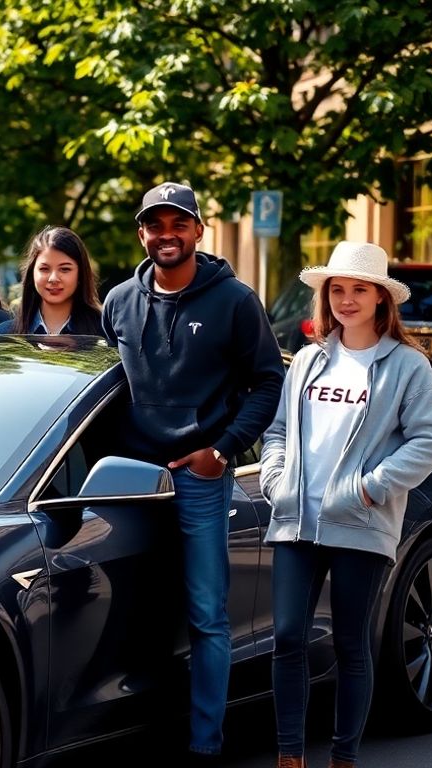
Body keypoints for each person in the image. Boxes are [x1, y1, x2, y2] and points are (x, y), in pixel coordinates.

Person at [101, 181, 284, 764]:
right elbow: (108, 390)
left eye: (178, 224)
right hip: (128, 481)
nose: (166, 235)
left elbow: (268, 383)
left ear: (198, 231)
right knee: (130, 607)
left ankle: (206, 744)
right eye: (155, 225)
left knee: (207, 614)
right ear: (142, 234)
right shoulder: (118, 301)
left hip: (199, 478)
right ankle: (132, 728)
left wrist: (224, 450)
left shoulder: (234, 300)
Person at [260, 242, 432, 768]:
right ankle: (289, 757)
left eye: (358, 289)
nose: (346, 299)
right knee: (288, 638)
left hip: (360, 522)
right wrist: (276, 479)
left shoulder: (407, 367)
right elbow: (277, 431)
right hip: (297, 519)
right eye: (337, 290)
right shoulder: (308, 361)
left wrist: (369, 488)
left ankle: (344, 757)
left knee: (349, 644)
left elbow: (431, 440)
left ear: (381, 298)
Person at [0, 226, 104, 336]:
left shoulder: (105, 331)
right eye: (44, 269)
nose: (53, 279)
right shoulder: (6, 334)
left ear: (81, 274)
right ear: (32, 274)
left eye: (65, 269)